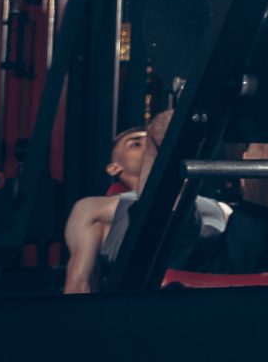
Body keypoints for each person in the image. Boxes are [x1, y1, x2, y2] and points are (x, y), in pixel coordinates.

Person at [59, 111, 232, 293]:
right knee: (161, 125)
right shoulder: (93, 206)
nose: (142, 144)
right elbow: (79, 283)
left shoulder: (200, 192)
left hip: (231, 250)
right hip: (165, 252)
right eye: (135, 144)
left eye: (145, 141)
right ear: (114, 168)